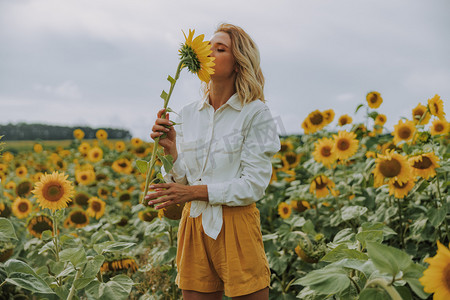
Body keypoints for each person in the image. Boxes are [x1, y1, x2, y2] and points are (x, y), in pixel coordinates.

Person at [145, 23, 280, 300]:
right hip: (193, 224)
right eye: (208, 48)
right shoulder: (186, 113)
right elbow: (181, 181)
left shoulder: (257, 114)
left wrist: (193, 192)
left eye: (220, 49)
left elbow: (253, 186)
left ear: (239, 62)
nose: (210, 54)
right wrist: (170, 150)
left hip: (236, 225)